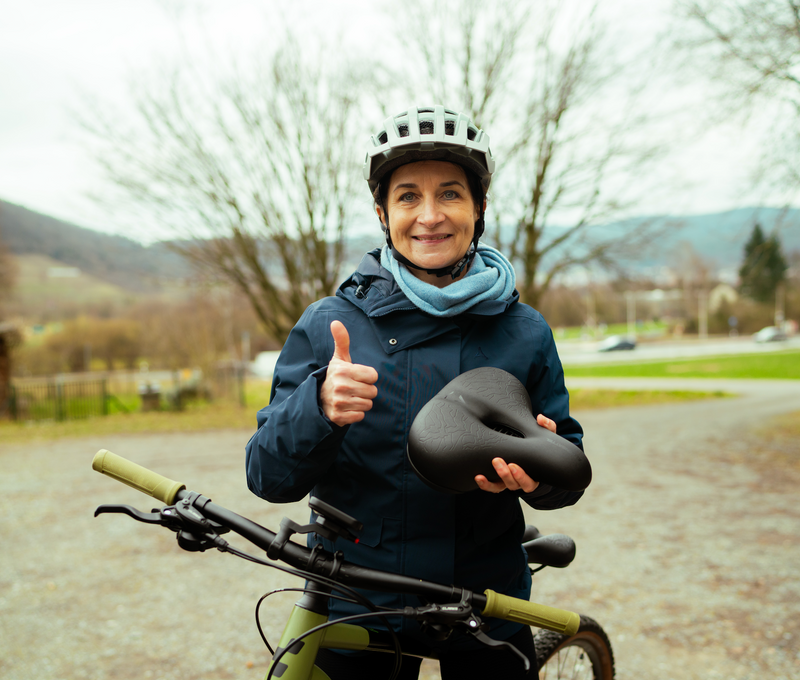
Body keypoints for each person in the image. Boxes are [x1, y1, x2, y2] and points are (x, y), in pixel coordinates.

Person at [245, 105, 585, 679]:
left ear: (478, 209)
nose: (430, 216)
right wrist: (319, 408)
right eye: (407, 197)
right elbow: (267, 476)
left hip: (486, 602)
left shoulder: (524, 331)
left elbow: (565, 469)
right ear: (383, 213)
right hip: (357, 601)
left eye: (450, 194)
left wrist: (542, 469)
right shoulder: (330, 323)